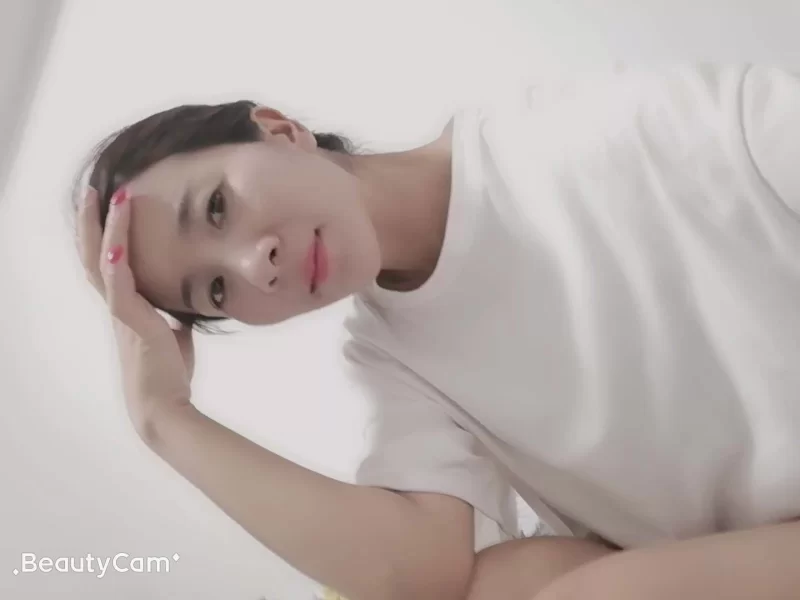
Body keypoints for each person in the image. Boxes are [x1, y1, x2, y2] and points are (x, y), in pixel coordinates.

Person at [72, 62, 800, 600]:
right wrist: (166, 419)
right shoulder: (391, 358)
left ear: (280, 131)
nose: (250, 265)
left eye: (217, 208)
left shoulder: (583, 137)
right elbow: (416, 574)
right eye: (216, 291)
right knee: (494, 585)